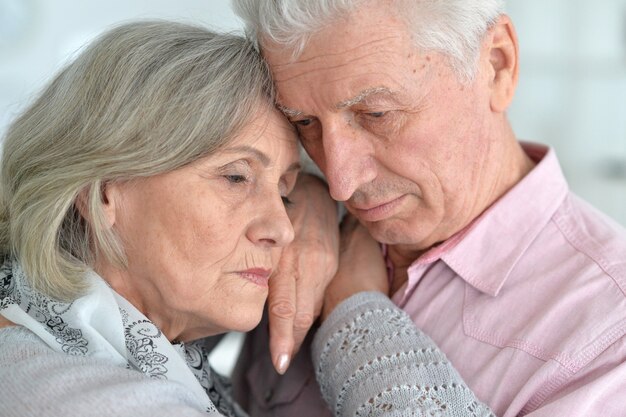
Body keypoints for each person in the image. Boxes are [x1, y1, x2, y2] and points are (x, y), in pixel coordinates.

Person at [0, 20, 496, 417]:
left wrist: (318, 199)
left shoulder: (45, 332)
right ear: (104, 192)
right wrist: (355, 304)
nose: (281, 229)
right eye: (236, 178)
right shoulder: (85, 399)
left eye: (284, 191)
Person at [231, 1, 626, 416]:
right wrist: (297, 195)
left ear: (497, 64)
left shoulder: (611, 336)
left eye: (376, 114)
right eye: (305, 123)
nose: (341, 182)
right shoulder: (289, 220)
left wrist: (355, 306)